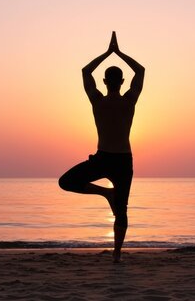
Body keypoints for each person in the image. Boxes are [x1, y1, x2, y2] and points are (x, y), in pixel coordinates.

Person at [59, 31, 145, 263]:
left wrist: (107, 54)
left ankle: (107, 195)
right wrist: (119, 53)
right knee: (122, 210)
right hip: (122, 160)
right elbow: (141, 71)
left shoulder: (97, 100)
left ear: (105, 82)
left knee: (66, 182)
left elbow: (86, 72)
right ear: (123, 82)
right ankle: (116, 254)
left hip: (105, 158)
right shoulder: (130, 100)